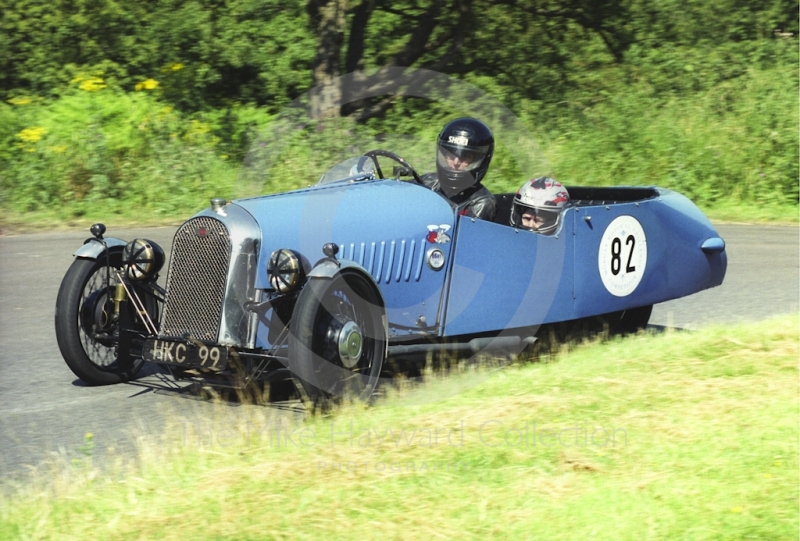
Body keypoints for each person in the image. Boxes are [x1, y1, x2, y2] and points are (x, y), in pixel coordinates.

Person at [420, 117, 497, 220]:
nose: (456, 162)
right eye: (450, 154)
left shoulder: (482, 203)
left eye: (465, 156)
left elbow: (464, 235)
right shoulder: (428, 181)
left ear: (481, 160)